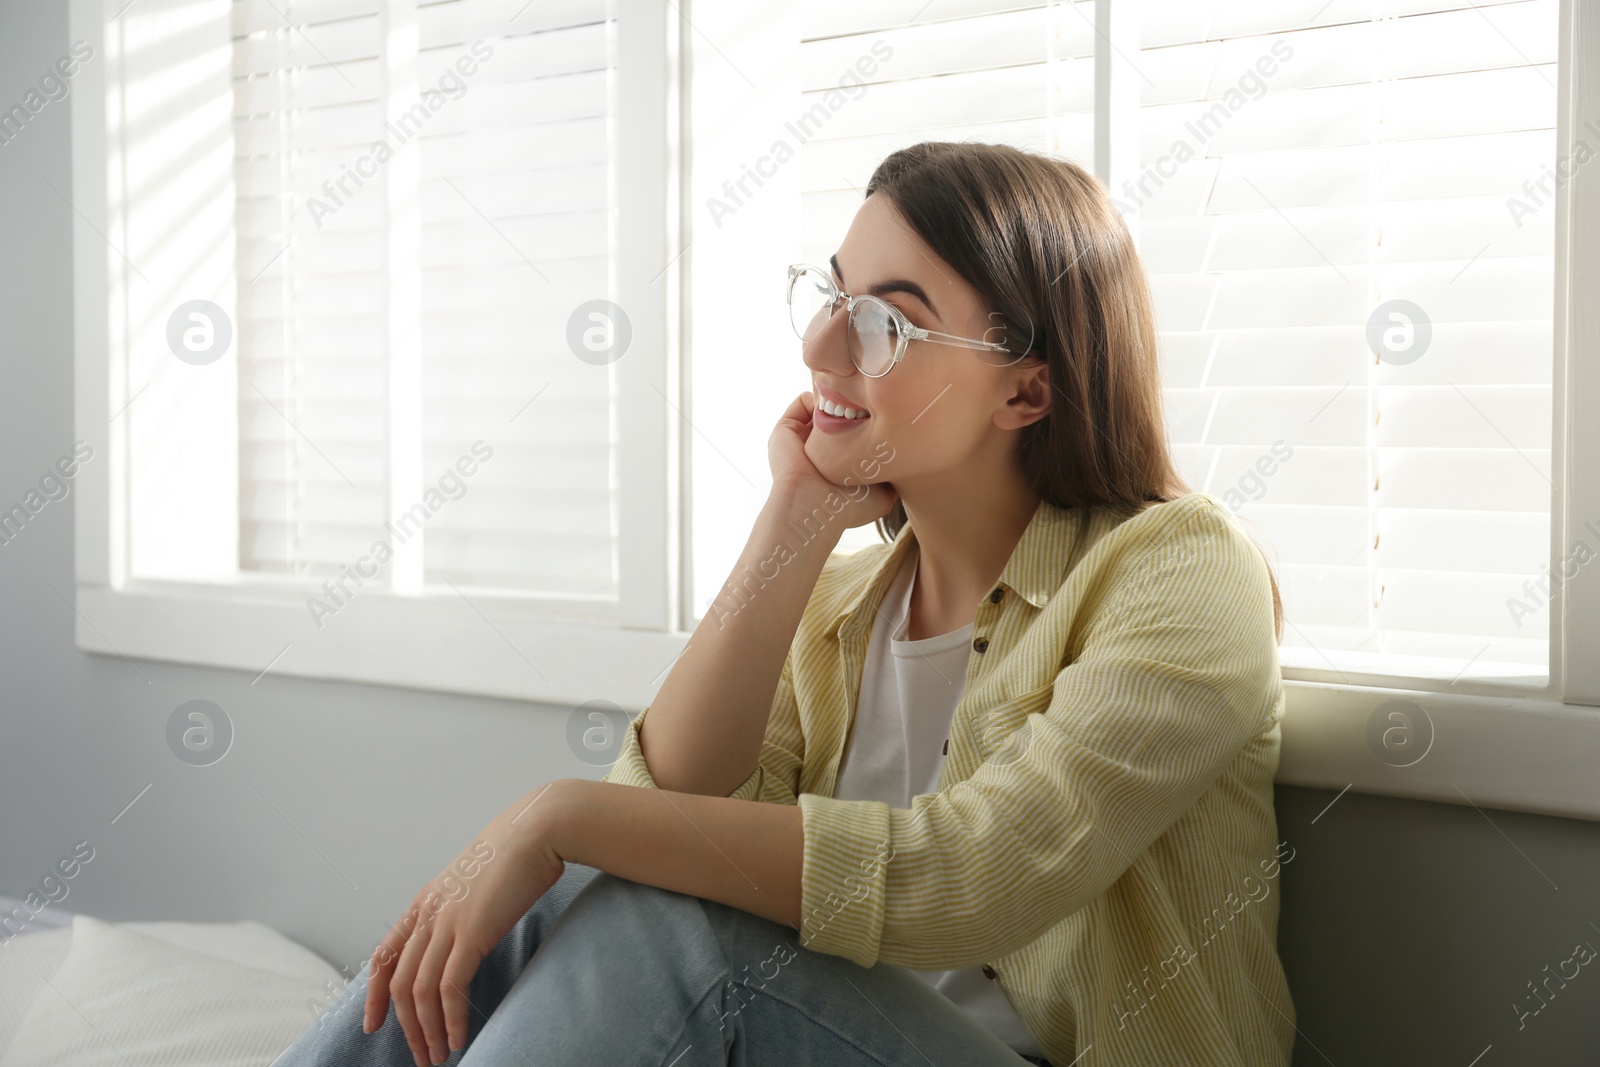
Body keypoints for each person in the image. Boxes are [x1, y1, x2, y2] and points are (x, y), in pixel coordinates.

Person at [271, 140, 1295, 1067]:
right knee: (581, 894)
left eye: (885, 321)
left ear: (1023, 393)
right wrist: (794, 517)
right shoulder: (841, 605)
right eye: (831, 293)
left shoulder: (1180, 567)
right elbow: (669, 805)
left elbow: (978, 876)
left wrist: (557, 813)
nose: (821, 344)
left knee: (669, 917)